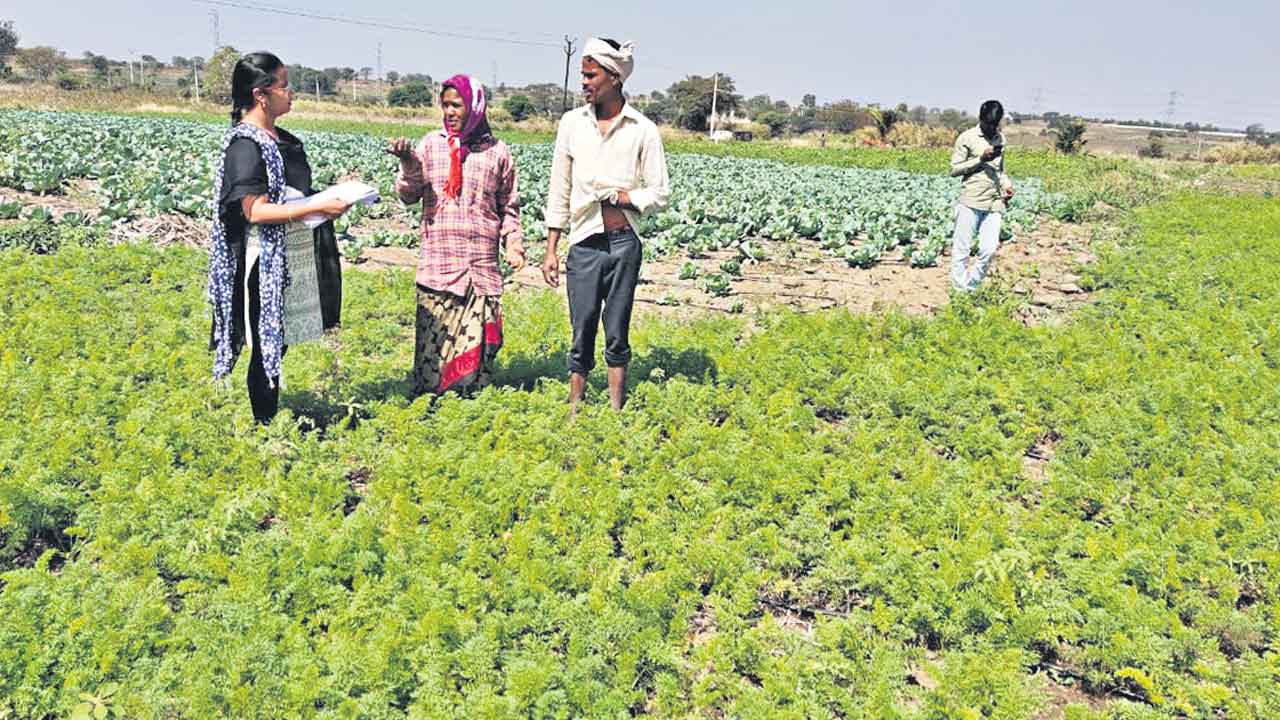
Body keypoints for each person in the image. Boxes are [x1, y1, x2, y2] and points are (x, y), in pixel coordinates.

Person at [208, 52, 351, 423]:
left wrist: (331, 196)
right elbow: (254, 210)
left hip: (288, 253)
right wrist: (310, 210)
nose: (291, 94)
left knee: (278, 338)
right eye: (284, 86)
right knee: (265, 342)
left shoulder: (278, 138)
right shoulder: (245, 145)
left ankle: (268, 419)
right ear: (261, 94)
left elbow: (287, 194)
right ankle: (264, 425)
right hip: (263, 258)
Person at [542, 37, 670, 412]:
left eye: (591, 75)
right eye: (582, 75)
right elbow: (559, 188)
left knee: (617, 328)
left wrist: (622, 196)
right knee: (581, 326)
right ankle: (575, 408)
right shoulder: (572, 124)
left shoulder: (642, 129)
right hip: (583, 243)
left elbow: (659, 192)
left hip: (622, 243)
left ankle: (615, 410)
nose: (584, 82)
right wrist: (551, 249)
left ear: (614, 77)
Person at [389, 75, 525, 397]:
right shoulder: (429, 146)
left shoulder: (497, 153)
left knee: (476, 364)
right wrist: (409, 163)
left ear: (475, 108)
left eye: (457, 105)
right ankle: (431, 419)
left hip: (480, 275)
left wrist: (514, 244)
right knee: (431, 365)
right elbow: (408, 195)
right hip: (439, 271)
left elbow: (509, 206)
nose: (449, 112)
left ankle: (470, 416)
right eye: (445, 105)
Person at [948, 99, 1016, 292]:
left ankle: (971, 287)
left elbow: (999, 171)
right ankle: (959, 293)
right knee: (962, 251)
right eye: (988, 124)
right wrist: (980, 159)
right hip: (970, 201)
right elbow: (954, 170)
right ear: (980, 119)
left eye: (995, 125)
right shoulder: (967, 138)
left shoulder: (1000, 139)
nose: (991, 128)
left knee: (989, 249)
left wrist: (1007, 185)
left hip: (994, 202)